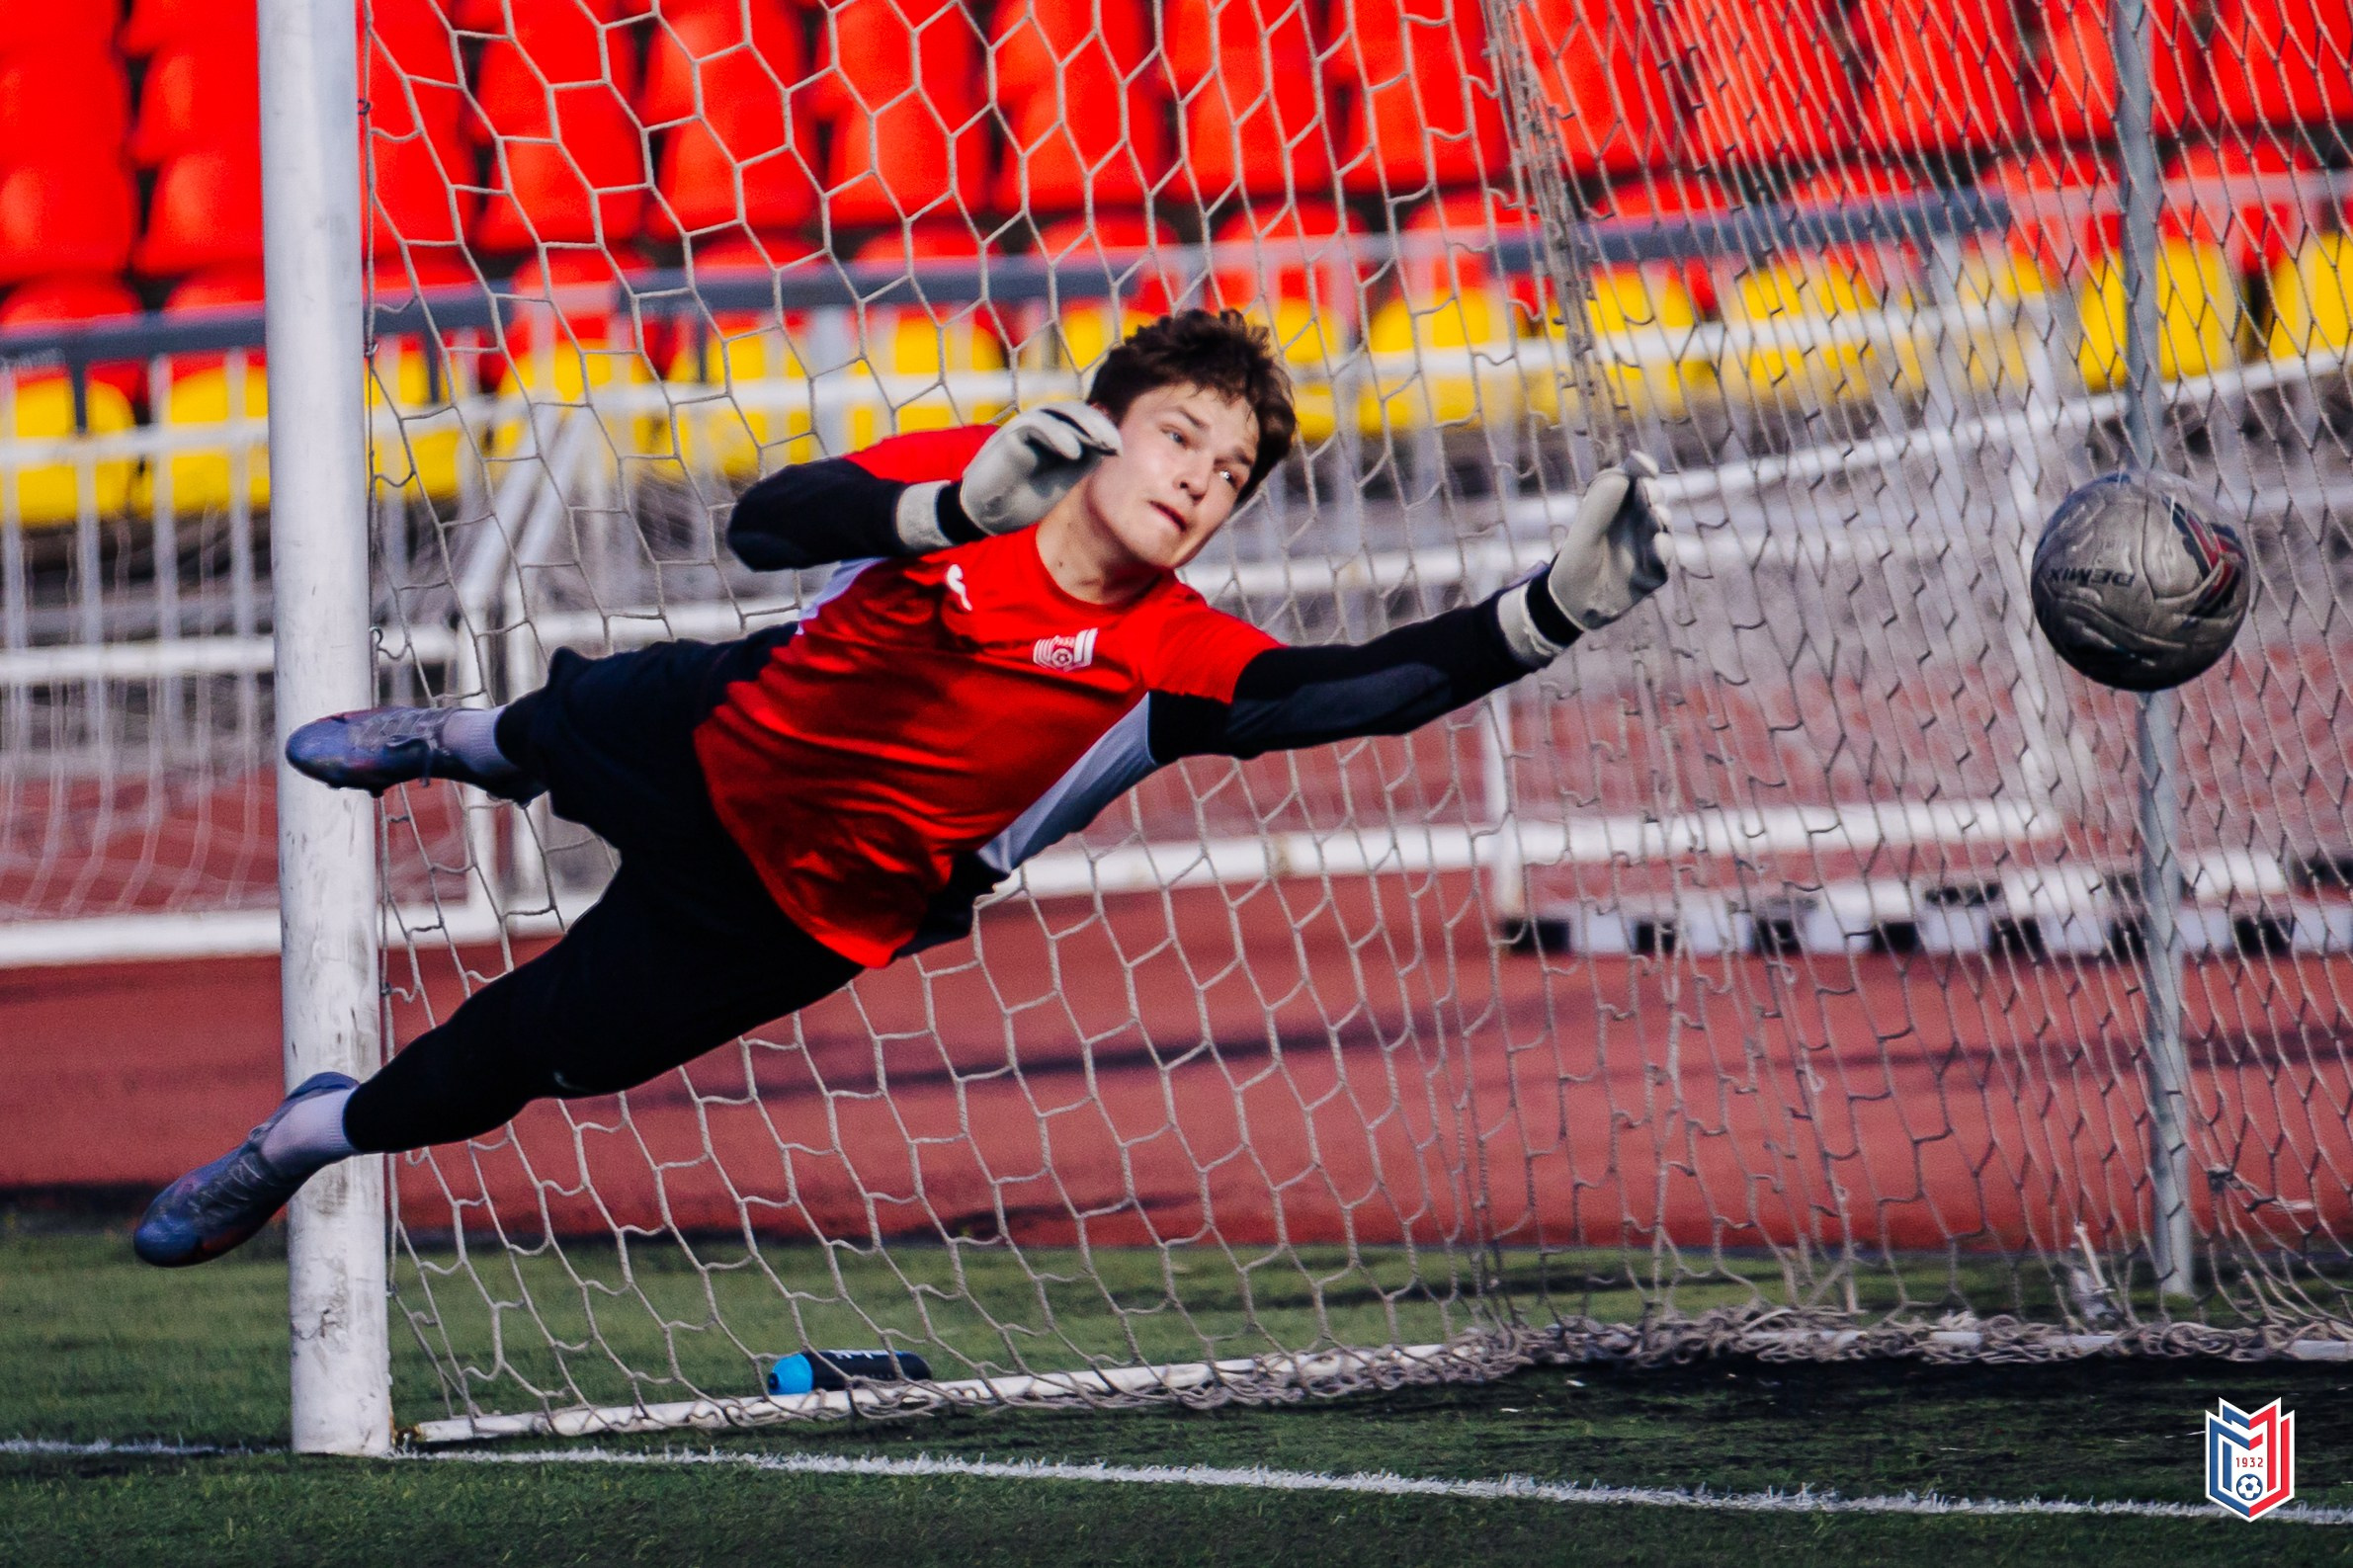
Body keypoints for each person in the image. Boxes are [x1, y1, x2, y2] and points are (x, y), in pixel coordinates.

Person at [133, 308, 1669, 1268]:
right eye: (1179, 438)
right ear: (1103, 430)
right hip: (711, 737)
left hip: (791, 912)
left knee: (516, 1062)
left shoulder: (1169, 652)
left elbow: (1348, 691)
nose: (1198, 478)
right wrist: (938, 509)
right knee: (560, 724)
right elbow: (766, 524)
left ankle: (301, 1142)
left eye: (1227, 474)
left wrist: (1544, 616)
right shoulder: (979, 474)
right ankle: (453, 740)